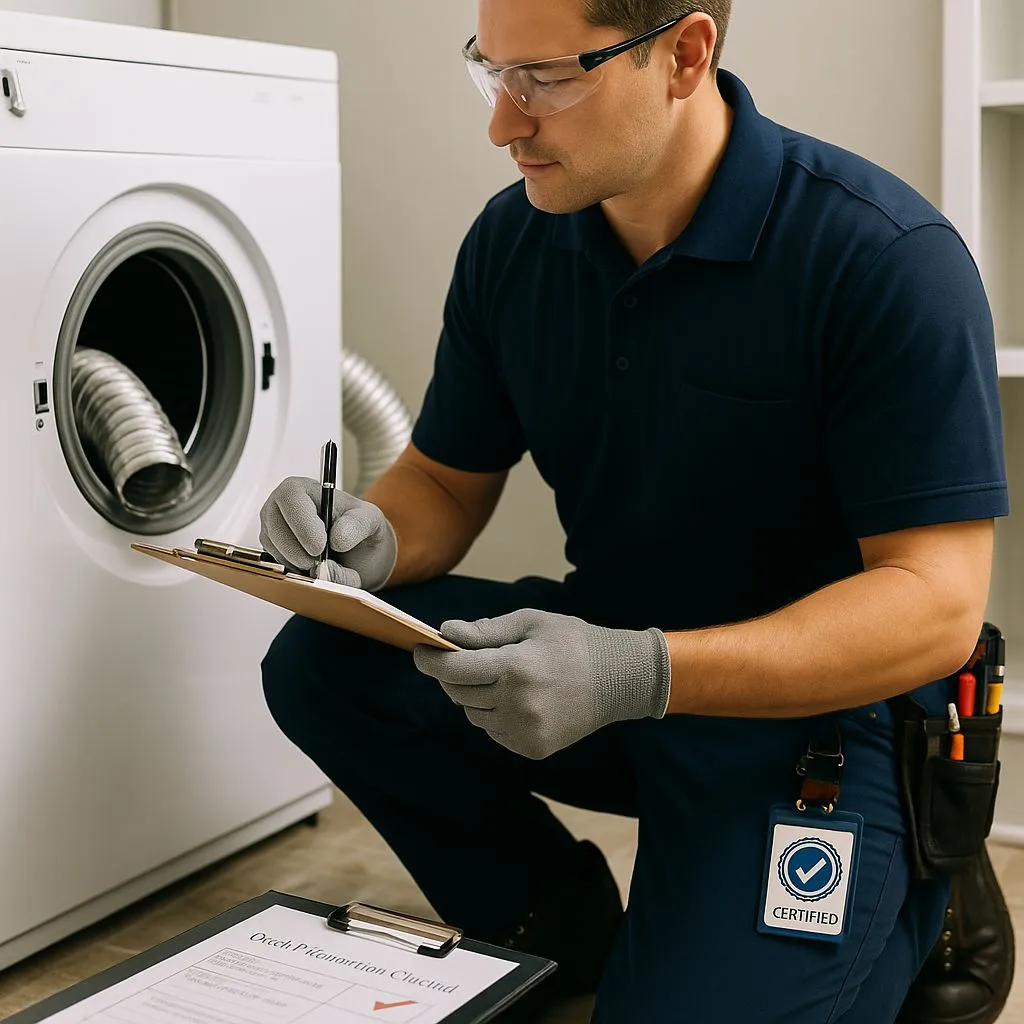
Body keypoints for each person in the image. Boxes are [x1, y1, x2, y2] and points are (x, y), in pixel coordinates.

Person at [258, 1, 1011, 1020]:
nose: (503, 124)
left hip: (821, 729)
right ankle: (554, 924)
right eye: (493, 70)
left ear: (684, 54)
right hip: (603, 667)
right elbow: (442, 481)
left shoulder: (881, 257)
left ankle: (927, 873)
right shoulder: (516, 241)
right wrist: (372, 536)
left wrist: (639, 670)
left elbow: (934, 608)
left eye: (549, 80)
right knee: (325, 660)